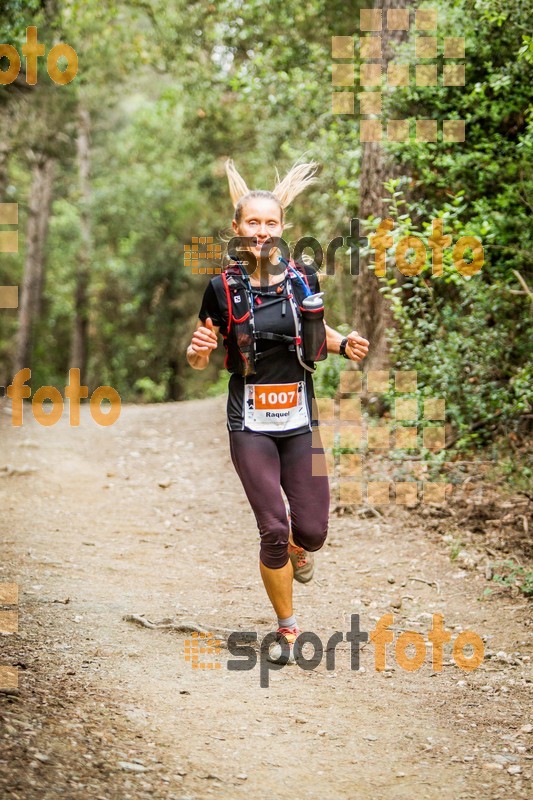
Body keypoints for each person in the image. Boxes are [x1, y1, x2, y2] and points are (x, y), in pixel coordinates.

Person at [186, 159, 369, 663]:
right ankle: (288, 628)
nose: (262, 231)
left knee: (311, 532)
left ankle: (298, 548)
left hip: (298, 421)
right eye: (253, 223)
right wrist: (198, 350)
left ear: (282, 228)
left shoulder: (302, 277)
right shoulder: (221, 288)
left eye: (271, 223)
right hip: (248, 422)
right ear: (237, 229)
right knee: (273, 527)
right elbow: (201, 350)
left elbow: (317, 333)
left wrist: (344, 341)